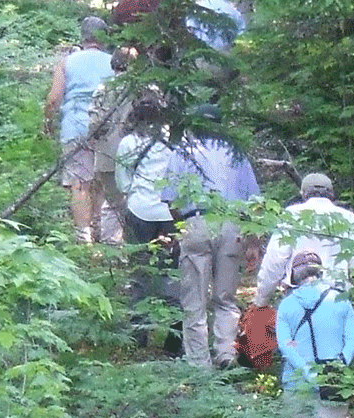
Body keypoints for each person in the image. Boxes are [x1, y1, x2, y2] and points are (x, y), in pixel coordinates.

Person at [161, 104, 261, 368]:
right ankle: (226, 354)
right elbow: (253, 202)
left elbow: (170, 199)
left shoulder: (183, 152)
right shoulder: (236, 153)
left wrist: (184, 225)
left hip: (195, 221)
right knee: (225, 298)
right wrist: (252, 242)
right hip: (230, 224)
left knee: (194, 300)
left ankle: (198, 363)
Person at [275, 250, 354, 418]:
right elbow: (353, 341)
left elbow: (285, 345)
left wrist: (307, 372)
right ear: (320, 272)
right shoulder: (340, 300)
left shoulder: (287, 305)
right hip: (334, 383)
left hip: (295, 383)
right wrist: (337, 367)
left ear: (294, 275)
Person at [43, 16, 115, 244]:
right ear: (104, 37)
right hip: (106, 128)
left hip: (75, 126)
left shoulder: (67, 62)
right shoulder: (114, 62)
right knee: (102, 182)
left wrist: (47, 121)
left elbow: (54, 98)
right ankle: (102, 234)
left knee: (79, 184)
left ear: (83, 37)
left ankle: (84, 239)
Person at [115, 95, 178, 346]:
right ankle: (173, 339)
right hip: (170, 215)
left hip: (139, 212)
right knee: (172, 273)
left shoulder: (128, 143)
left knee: (139, 274)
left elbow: (123, 181)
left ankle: (138, 336)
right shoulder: (174, 143)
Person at [253, 173, 354, 307]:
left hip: (298, 297)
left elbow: (275, 261)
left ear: (303, 193)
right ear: (331, 194)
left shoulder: (292, 214)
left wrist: (261, 299)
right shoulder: (349, 218)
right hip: (337, 298)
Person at [88, 46, 136, 246]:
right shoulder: (140, 89)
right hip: (134, 155)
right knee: (130, 202)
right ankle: (130, 244)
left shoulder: (102, 89)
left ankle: (112, 246)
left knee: (112, 203)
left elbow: (93, 124)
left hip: (106, 155)